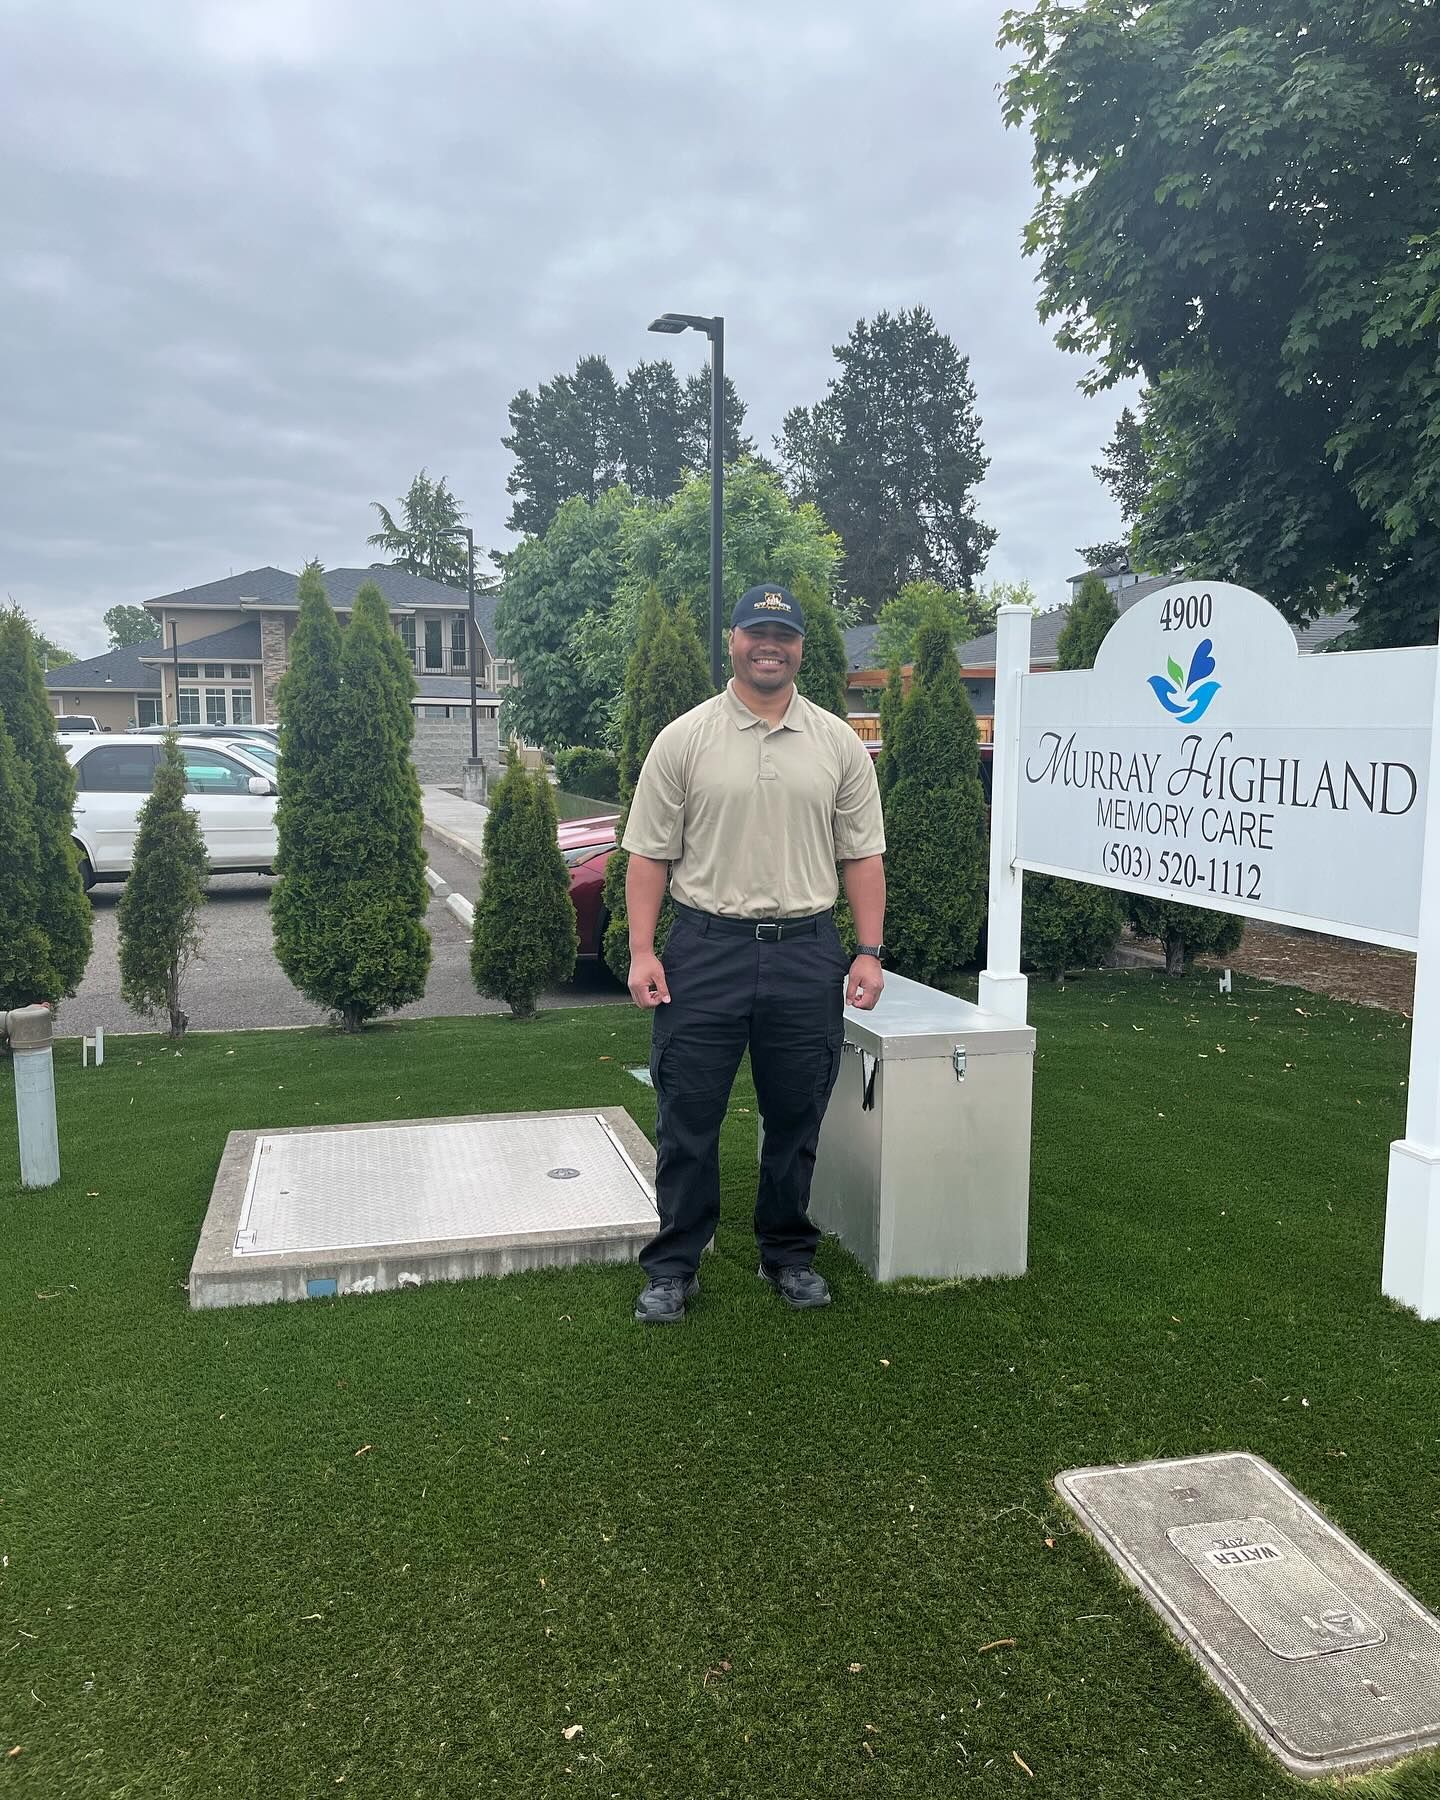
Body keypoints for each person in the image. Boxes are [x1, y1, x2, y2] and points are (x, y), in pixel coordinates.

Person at [622, 583, 888, 1325]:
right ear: (733, 641)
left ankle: (787, 1253)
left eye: (784, 634)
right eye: (756, 631)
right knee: (689, 1115)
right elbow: (647, 854)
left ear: (800, 647)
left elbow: (863, 856)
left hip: (807, 950)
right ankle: (675, 1265)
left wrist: (868, 952)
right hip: (706, 948)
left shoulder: (838, 743)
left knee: (797, 1113)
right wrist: (643, 950)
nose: (770, 644)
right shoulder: (685, 738)